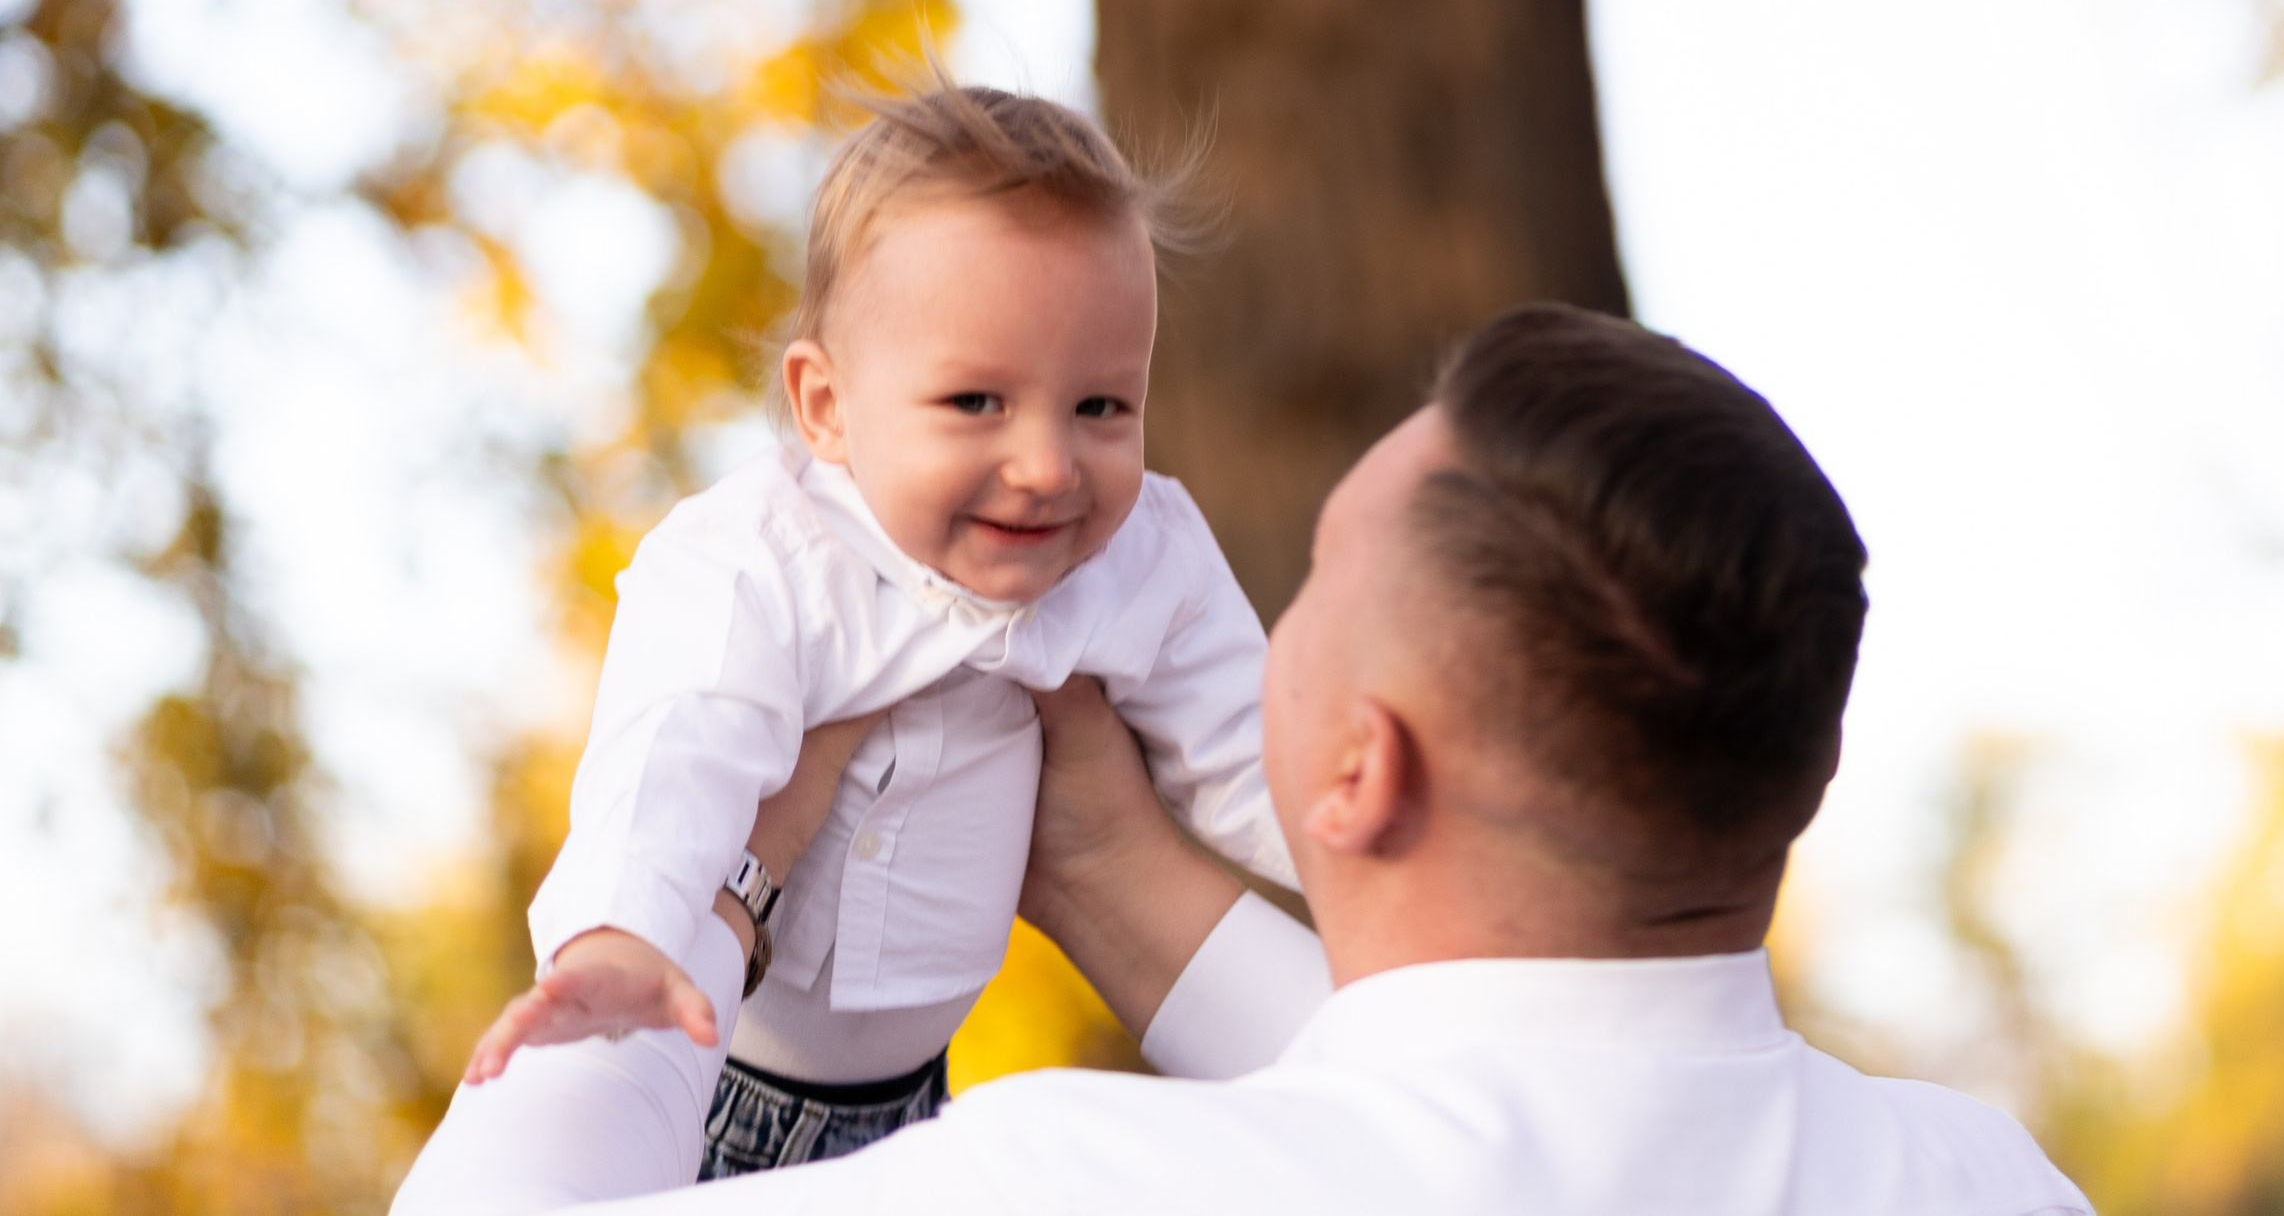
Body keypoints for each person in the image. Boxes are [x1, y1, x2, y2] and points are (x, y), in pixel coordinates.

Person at [437, 303, 2096, 1214]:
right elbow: (1526, 1123)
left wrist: (719, 892)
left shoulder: (1081, 1183)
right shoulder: (1979, 1182)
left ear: (1360, 765)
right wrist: (1123, 888)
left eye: (1305, 583)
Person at [396, 84, 1293, 1206]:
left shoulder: (1142, 558)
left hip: (914, 1100)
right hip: (707, 1074)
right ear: (826, 406)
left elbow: (1257, 756)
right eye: (977, 401)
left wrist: (1404, 872)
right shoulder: (763, 560)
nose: (1049, 465)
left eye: (1102, 408)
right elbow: (675, 752)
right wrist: (616, 937)